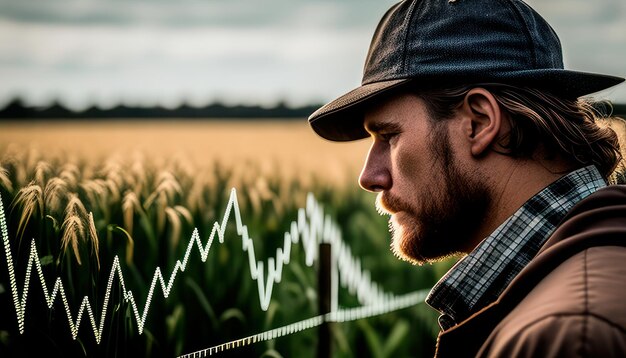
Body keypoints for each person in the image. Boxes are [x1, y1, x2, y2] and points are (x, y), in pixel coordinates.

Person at [307, 0, 626, 357]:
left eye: (389, 135)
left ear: (479, 122)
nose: (369, 176)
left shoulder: (569, 335)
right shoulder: (589, 280)